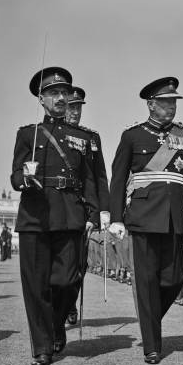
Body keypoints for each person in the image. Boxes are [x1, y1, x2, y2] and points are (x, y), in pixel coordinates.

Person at [109, 77, 183, 364]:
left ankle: (150, 320)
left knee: (173, 279)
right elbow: (118, 179)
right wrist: (116, 218)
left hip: (176, 218)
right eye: (166, 102)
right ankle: (152, 344)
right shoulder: (133, 136)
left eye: (174, 102)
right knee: (146, 281)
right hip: (142, 217)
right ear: (151, 104)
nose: (172, 107)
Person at [11, 67, 98, 365]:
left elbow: (90, 179)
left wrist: (94, 213)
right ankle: (42, 347)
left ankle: (58, 324)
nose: (61, 98)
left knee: (66, 280)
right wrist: (23, 178)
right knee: (36, 286)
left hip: (69, 213)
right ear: (42, 99)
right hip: (35, 215)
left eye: (65, 92)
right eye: (54, 93)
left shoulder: (83, 137)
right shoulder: (27, 134)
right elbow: (14, 175)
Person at [64, 86, 110, 325]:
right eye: (72, 107)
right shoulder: (54, 133)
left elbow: (100, 176)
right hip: (61, 207)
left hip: (84, 208)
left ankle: (69, 302)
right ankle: (61, 304)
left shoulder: (91, 138)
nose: (75, 112)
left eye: (79, 107)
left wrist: (103, 210)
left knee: (79, 263)